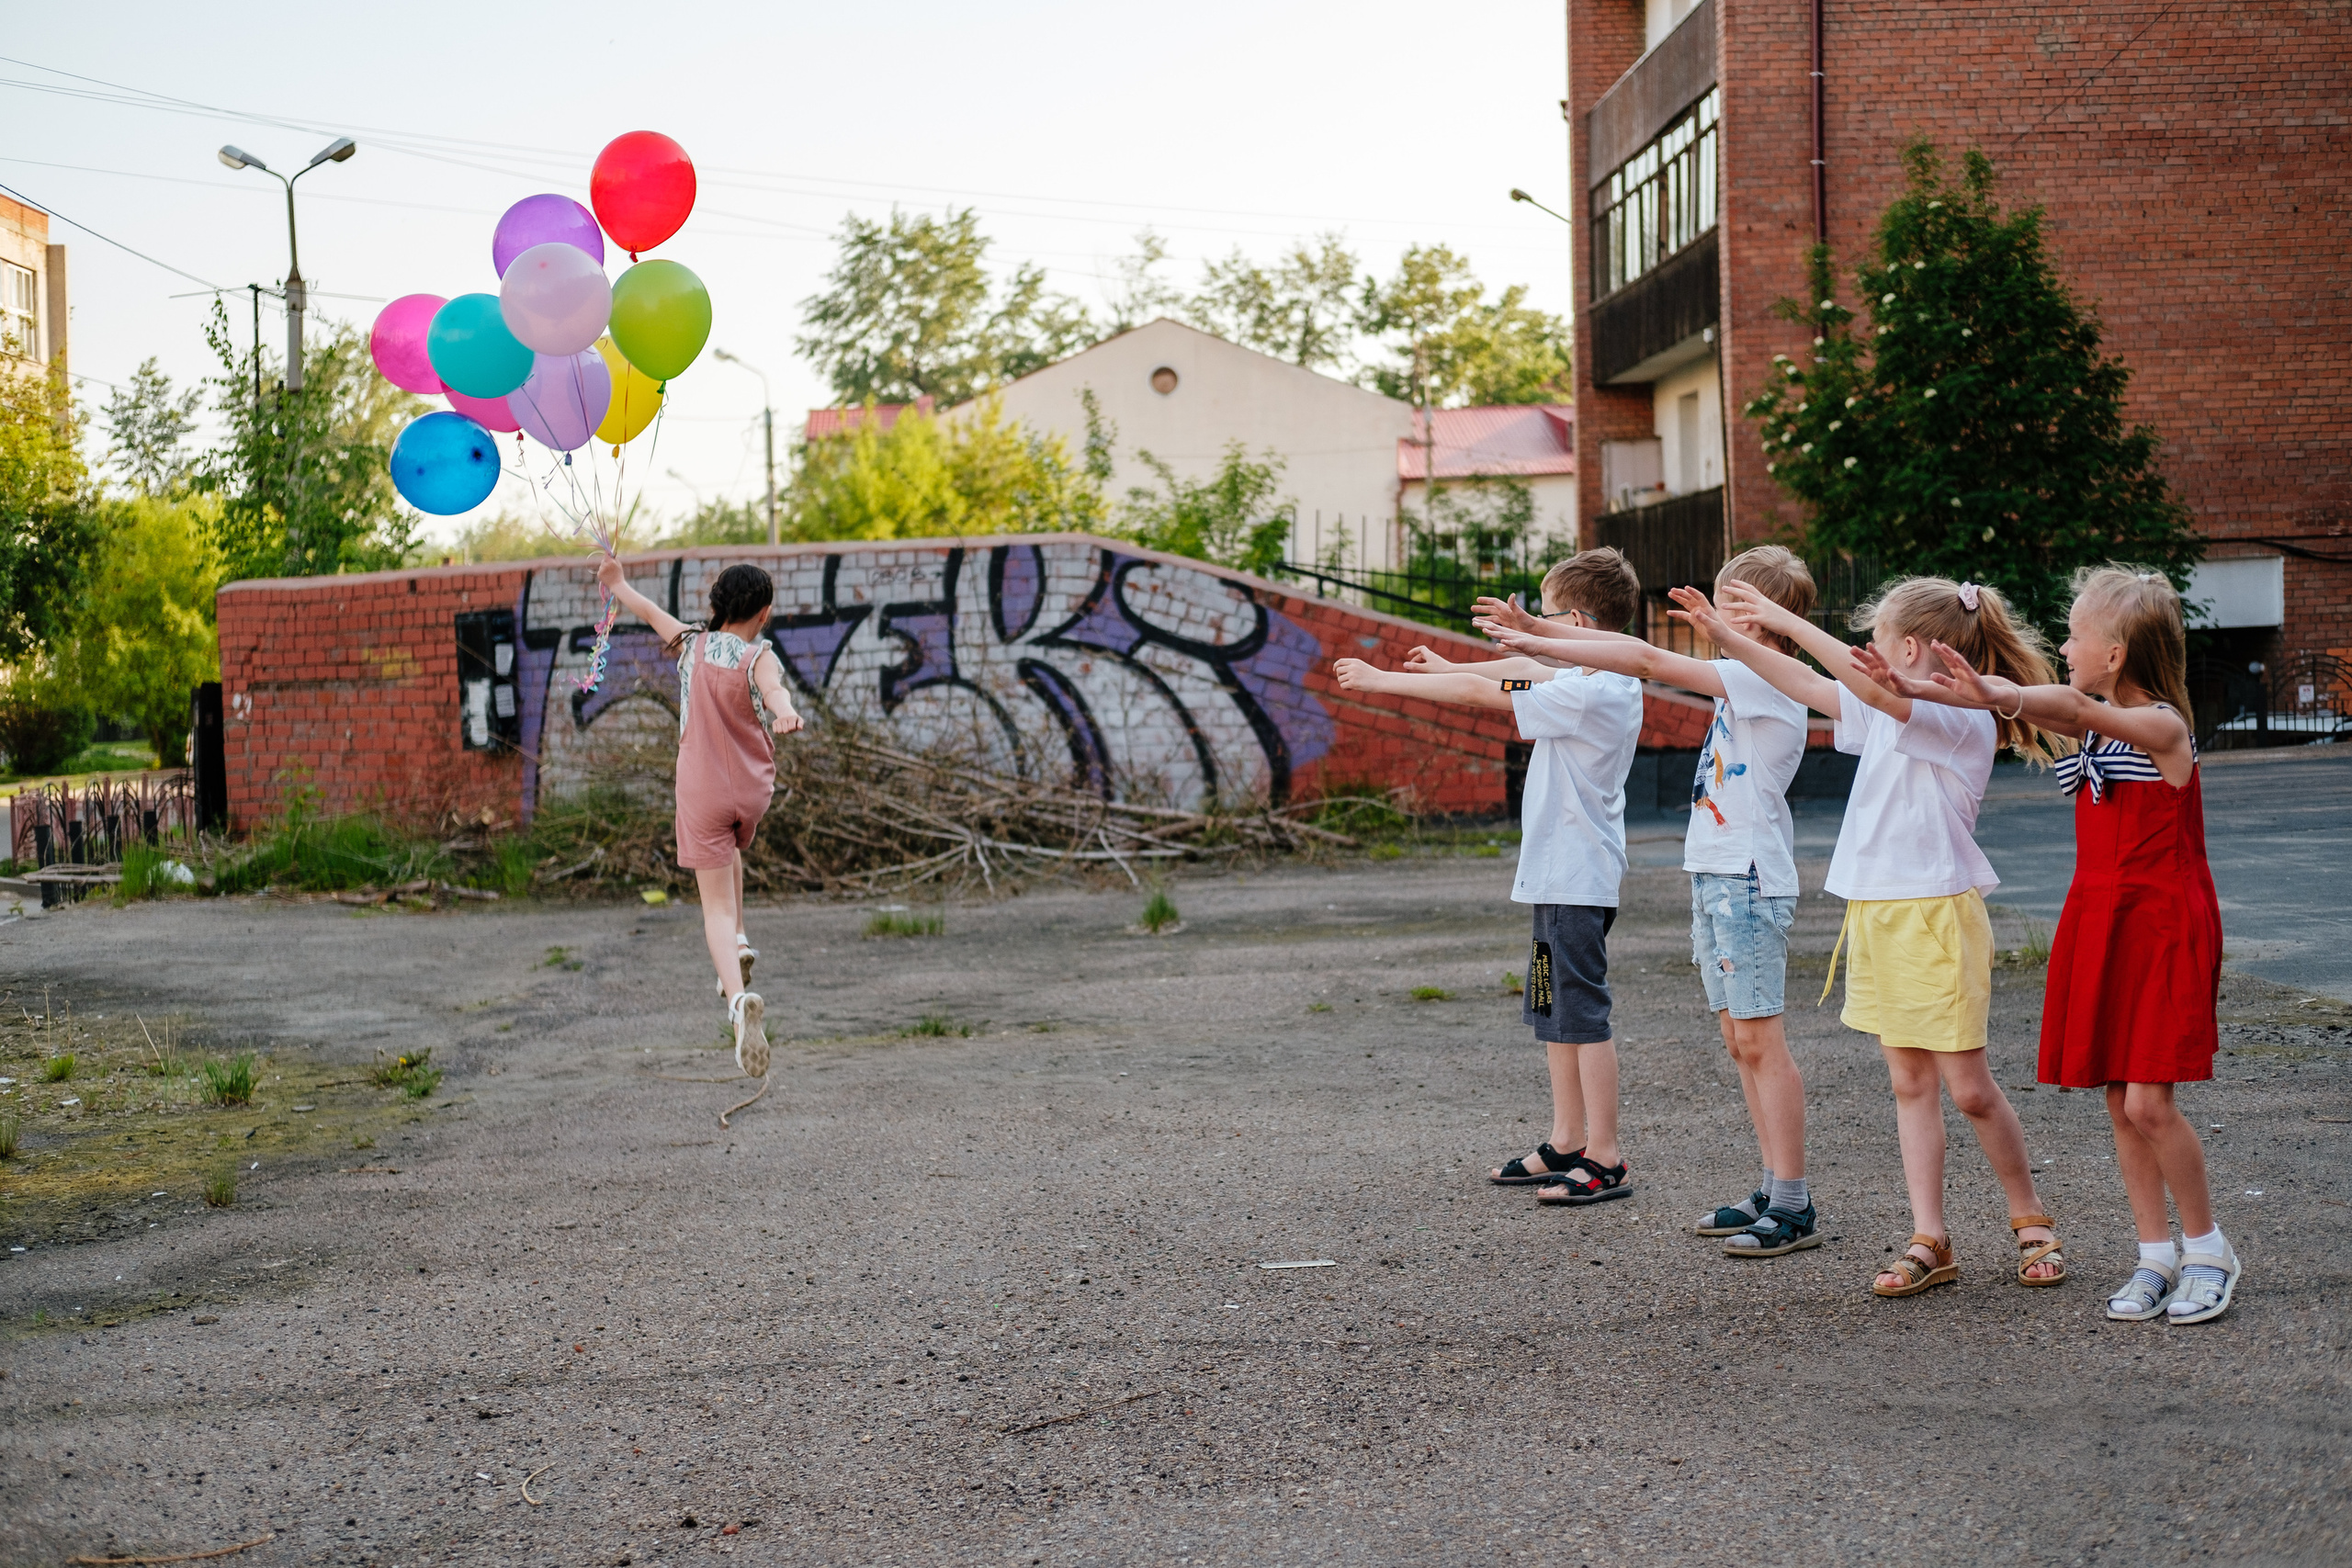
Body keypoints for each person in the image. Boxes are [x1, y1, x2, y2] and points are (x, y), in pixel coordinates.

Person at [1681, 575, 2070, 1297]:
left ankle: (2030, 1219)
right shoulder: (1889, 711)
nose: (1864, 655)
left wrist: (1781, 619)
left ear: (1915, 648)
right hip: (1881, 913)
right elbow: (1808, 683)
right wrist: (1734, 635)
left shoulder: (1961, 717)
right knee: (1908, 1081)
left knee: (1971, 1088)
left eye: (1878, 643)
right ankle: (1932, 1237)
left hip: (1938, 916)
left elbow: (1883, 693)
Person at [1868, 567, 2236, 1324]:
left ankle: (2208, 1248)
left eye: (2075, 634)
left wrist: (2000, 693)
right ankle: (2154, 1255)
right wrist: (1950, 692)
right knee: (2118, 1100)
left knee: (2150, 1102)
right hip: (2101, 918)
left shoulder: (2163, 725)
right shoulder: (2093, 715)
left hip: (2161, 923)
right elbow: (2048, 707)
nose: (2063, 646)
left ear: (2116, 651)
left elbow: (2065, 706)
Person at [1459, 546, 1826, 1258]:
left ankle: (1792, 1199)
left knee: (1760, 1041)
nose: (1707, 617)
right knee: (1738, 1040)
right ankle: (1773, 1184)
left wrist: (1535, 633)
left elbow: (1647, 661)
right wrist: (1540, 631)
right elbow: (1637, 651)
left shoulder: (1765, 679)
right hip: (1718, 875)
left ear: (1756, 616)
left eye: (1722, 606)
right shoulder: (1740, 676)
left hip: (1748, 878)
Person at [1333, 548, 1645, 1207]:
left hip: (1575, 881)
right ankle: (1567, 1138)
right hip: (1551, 880)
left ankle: (1606, 1154)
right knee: (1552, 1007)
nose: (1535, 626)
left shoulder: (1595, 690)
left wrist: (1382, 679)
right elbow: (1522, 667)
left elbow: (1496, 689)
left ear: (1579, 620)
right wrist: (1454, 664)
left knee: (1583, 1013)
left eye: (1547, 613)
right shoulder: (1584, 674)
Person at [596, 555, 804, 1077]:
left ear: (716, 607)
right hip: (751, 791)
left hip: (702, 790)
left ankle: (737, 1004)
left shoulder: (692, 644)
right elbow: (777, 693)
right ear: (765, 612)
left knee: (712, 903)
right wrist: (784, 714)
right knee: (733, 848)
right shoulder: (760, 655)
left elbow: (647, 610)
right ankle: (739, 940)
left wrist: (617, 583)